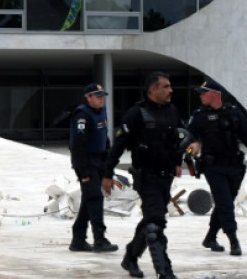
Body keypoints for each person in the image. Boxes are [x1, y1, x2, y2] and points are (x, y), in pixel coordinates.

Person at [103, 72, 186, 279]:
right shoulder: (136, 114)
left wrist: (179, 162)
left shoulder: (172, 111)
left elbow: (179, 138)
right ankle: (165, 272)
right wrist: (107, 174)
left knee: (152, 220)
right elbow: (118, 146)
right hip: (146, 176)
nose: (170, 90)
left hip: (166, 175)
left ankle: (130, 257)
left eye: (170, 86)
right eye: (165, 87)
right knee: (155, 224)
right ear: (153, 90)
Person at [187, 79, 247, 256]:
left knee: (224, 203)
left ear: (215, 94)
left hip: (235, 166)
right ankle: (233, 240)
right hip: (213, 166)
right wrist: (193, 144)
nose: (200, 96)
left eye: (203, 92)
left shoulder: (234, 113)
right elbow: (189, 135)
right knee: (226, 203)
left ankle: (210, 237)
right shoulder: (200, 115)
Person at [69, 83, 119, 253]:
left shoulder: (101, 112)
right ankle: (100, 239)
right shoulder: (82, 115)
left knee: (89, 200)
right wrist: (82, 172)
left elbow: (105, 138)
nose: (101, 99)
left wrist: (108, 163)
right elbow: (77, 146)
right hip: (86, 162)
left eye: (102, 96)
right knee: (95, 197)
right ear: (88, 97)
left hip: (99, 160)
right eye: (97, 96)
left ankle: (78, 240)